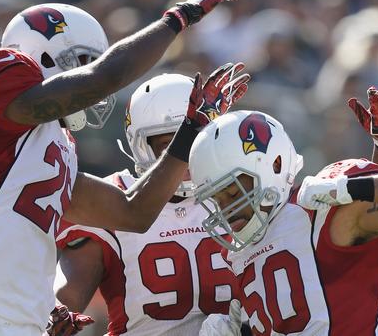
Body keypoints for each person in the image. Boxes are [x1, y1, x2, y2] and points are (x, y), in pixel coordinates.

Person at [0, 0, 247, 336]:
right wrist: (180, 18)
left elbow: (132, 213)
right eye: (84, 60)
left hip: (17, 324)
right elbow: (103, 78)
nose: (93, 77)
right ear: (45, 54)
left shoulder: (57, 144)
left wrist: (191, 130)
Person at [190, 95, 378, 335]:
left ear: (273, 165)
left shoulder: (319, 211)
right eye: (217, 199)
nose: (227, 210)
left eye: (234, 192)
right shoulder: (239, 255)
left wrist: (347, 188)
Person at [49, 72, 249, 336]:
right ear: (142, 146)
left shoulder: (242, 193)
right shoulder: (113, 199)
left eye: (194, 142)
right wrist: (54, 312)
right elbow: (67, 295)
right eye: (171, 146)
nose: (184, 159)